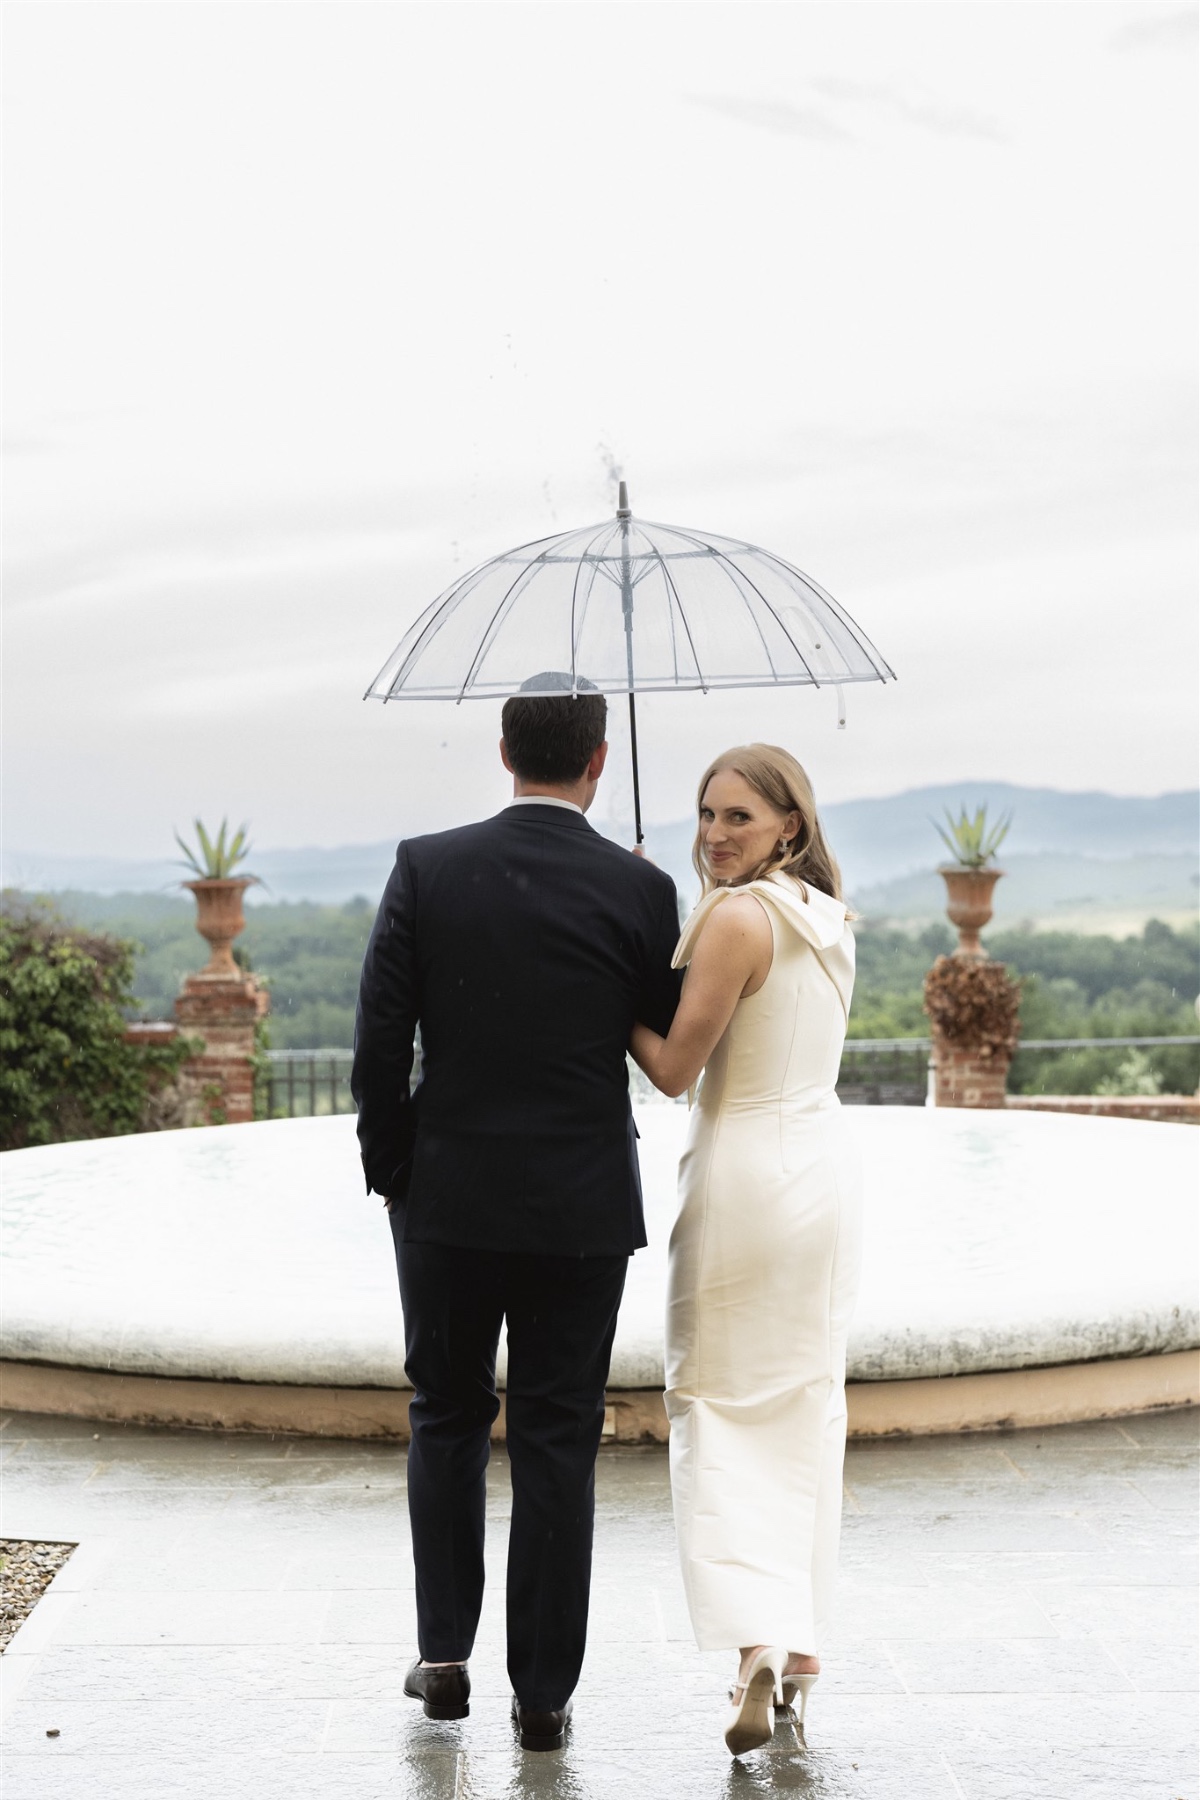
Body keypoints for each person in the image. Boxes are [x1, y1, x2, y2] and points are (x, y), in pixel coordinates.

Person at [352, 673, 682, 1752]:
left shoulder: (426, 867)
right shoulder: (639, 888)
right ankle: (543, 1697)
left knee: (445, 1415)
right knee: (555, 1442)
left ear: (504, 752)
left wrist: (398, 1172)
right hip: (584, 1205)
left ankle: (443, 1655)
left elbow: (377, 1045)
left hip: (448, 1201)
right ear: (598, 763)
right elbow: (662, 1036)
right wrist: (636, 905)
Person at [630, 743, 862, 1758]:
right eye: (706, 814)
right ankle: (802, 1645)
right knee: (806, 1399)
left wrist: (610, 992)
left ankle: (757, 1640)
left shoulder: (735, 918)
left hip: (742, 1185)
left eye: (739, 818)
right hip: (822, 1177)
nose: (715, 835)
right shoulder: (830, 920)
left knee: (717, 1402)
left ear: (789, 830)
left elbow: (676, 1069)